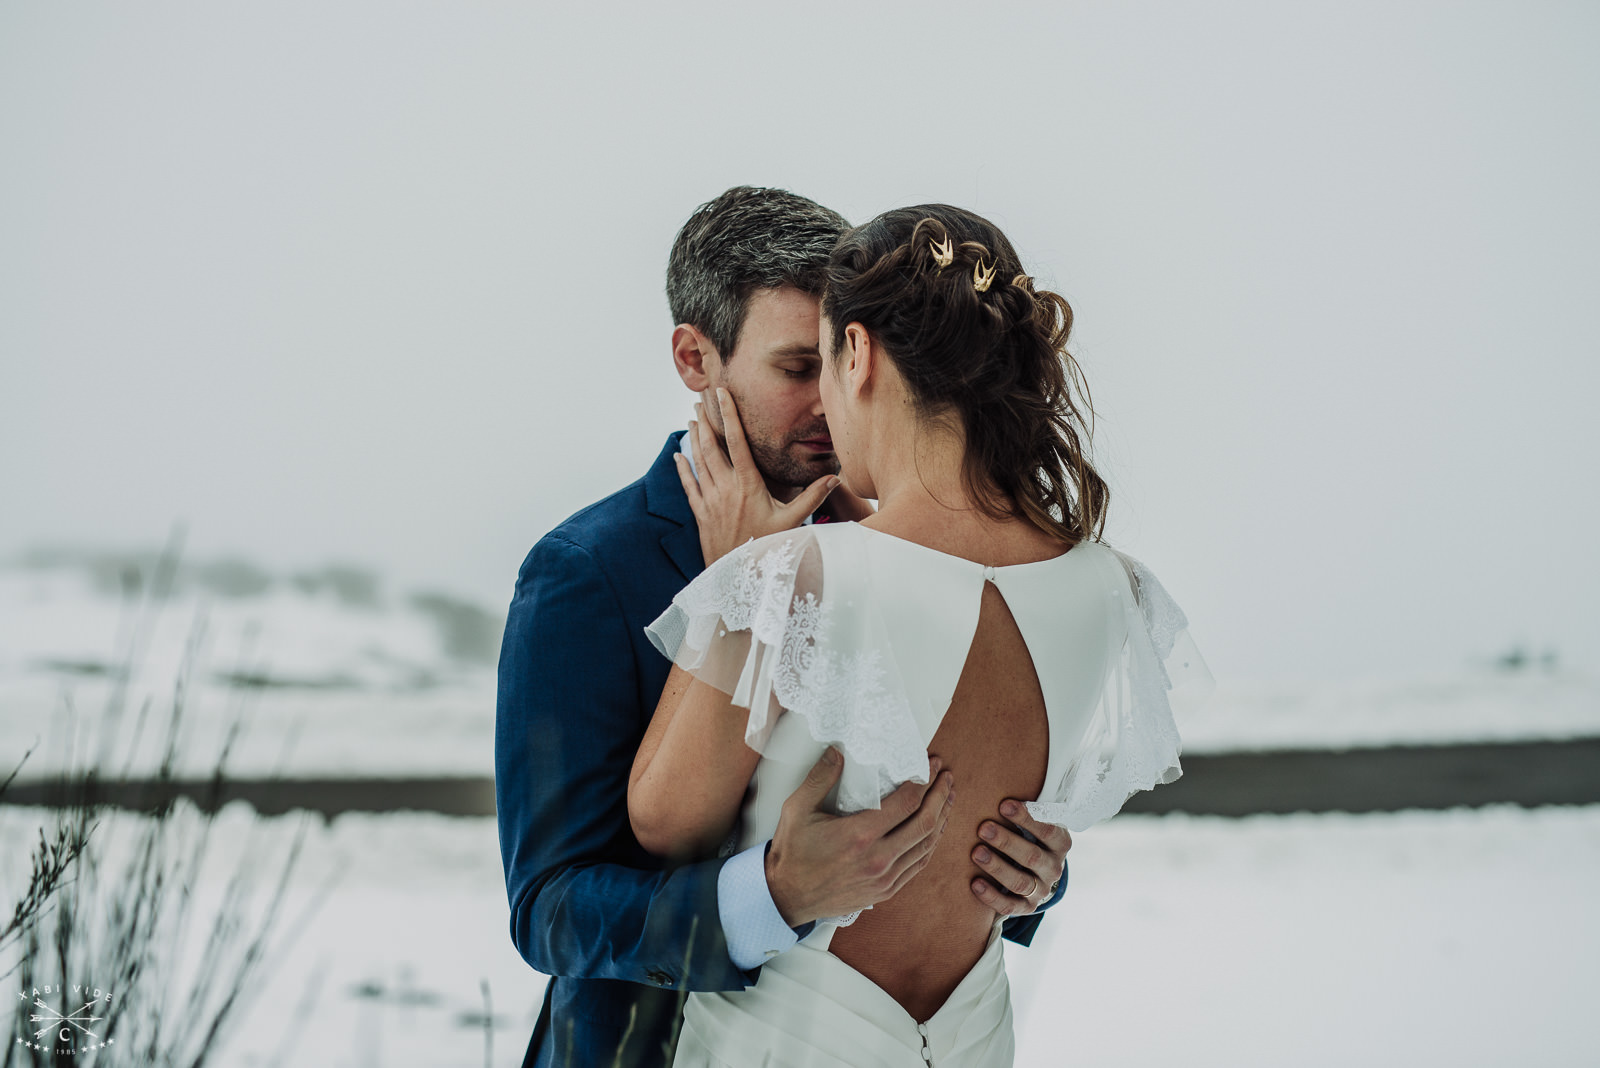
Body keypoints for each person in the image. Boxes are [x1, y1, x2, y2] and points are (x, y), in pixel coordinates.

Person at [495, 188, 1072, 1068]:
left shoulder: (898, 551)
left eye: (838, 363)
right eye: (796, 368)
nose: (832, 399)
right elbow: (550, 909)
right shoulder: (587, 569)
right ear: (696, 357)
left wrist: (1029, 875)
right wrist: (769, 894)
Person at [631, 204, 1211, 1066]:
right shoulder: (1112, 585)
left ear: (858, 356)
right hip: (973, 1038)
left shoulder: (794, 575)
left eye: (822, 361)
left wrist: (741, 576)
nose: (825, 399)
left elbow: (664, 824)